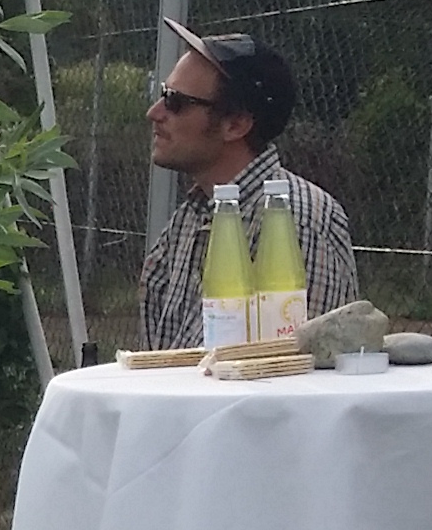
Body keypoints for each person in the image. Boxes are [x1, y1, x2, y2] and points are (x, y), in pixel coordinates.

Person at [138, 21, 358, 351]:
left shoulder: (300, 222)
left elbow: (302, 377)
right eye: (160, 94)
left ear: (236, 124)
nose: (154, 113)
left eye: (175, 102)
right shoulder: (190, 217)